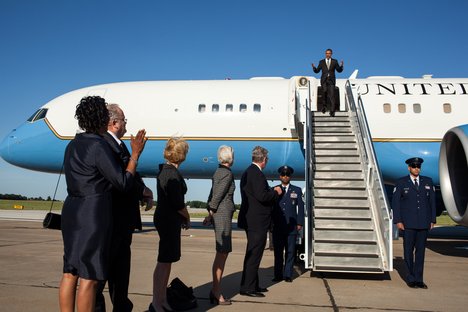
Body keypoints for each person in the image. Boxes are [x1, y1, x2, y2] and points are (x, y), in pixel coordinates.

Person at [59, 96, 147, 312]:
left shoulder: (72, 144)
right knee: (89, 277)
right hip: (93, 213)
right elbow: (123, 182)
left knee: (70, 272)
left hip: (72, 210)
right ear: (102, 119)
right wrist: (134, 155)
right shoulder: (98, 146)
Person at [95, 104, 153, 312]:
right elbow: (119, 178)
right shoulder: (104, 145)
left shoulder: (117, 145)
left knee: (120, 277)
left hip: (122, 223)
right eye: (124, 121)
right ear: (113, 123)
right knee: (102, 276)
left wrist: (144, 190)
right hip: (111, 221)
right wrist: (136, 154)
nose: (126, 124)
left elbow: (130, 175)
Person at [150, 138, 190, 312]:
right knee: (164, 261)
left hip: (166, 218)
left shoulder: (165, 171)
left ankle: (162, 299)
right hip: (168, 219)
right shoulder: (171, 174)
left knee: (166, 261)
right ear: (181, 156)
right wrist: (187, 216)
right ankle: (157, 302)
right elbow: (177, 203)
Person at [238, 146, 282, 297]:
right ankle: (247, 288)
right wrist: (275, 192)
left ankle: (252, 284)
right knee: (254, 255)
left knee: (254, 254)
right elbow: (262, 196)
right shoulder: (256, 174)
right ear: (263, 160)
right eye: (267, 159)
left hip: (252, 220)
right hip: (257, 221)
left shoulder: (248, 172)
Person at [392, 157, 436, 289]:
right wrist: (398, 220)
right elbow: (396, 203)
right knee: (408, 252)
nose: (417, 168)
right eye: (414, 166)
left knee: (421, 252)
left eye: (418, 166)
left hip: (423, 223)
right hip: (408, 223)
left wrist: (432, 219)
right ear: (409, 168)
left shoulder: (428, 181)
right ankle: (410, 278)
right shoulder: (401, 182)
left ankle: (419, 279)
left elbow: (432, 203)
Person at [203, 145, 236, 305]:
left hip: (220, 214)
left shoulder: (218, 172)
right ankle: (216, 291)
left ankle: (215, 290)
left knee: (221, 253)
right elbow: (217, 196)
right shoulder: (227, 174)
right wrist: (211, 213)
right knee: (222, 253)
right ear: (230, 157)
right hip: (222, 216)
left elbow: (212, 194)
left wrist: (209, 213)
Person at [271, 166, 304, 283]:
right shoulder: (274, 189)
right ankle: (278, 275)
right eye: (283, 175)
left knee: (290, 252)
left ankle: (288, 275)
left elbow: (300, 207)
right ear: (280, 176)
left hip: (291, 226)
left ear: (290, 176)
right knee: (278, 252)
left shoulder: (297, 190)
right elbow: (270, 207)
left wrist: (300, 222)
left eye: (288, 175)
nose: (285, 177)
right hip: (278, 226)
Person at [311, 48, 344, 116]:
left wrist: (341, 66)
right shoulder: (321, 62)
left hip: (331, 80)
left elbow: (338, 70)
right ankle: (324, 107)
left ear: (331, 54)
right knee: (324, 93)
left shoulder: (335, 61)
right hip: (324, 80)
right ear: (325, 54)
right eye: (326, 53)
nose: (328, 54)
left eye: (329, 53)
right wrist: (314, 68)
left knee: (332, 95)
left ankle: (332, 110)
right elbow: (317, 71)